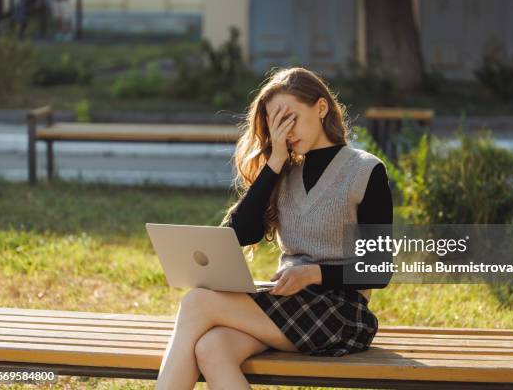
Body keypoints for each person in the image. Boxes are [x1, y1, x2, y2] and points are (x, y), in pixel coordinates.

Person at [155, 67, 393, 389]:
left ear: (321, 108)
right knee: (212, 349)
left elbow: (378, 270)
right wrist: (275, 162)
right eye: (276, 123)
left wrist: (312, 274)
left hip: (340, 312)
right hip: (290, 305)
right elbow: (238, 234)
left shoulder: (366, 171)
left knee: (197, 302)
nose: (285, 131)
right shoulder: (284, 173)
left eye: (291, 117)